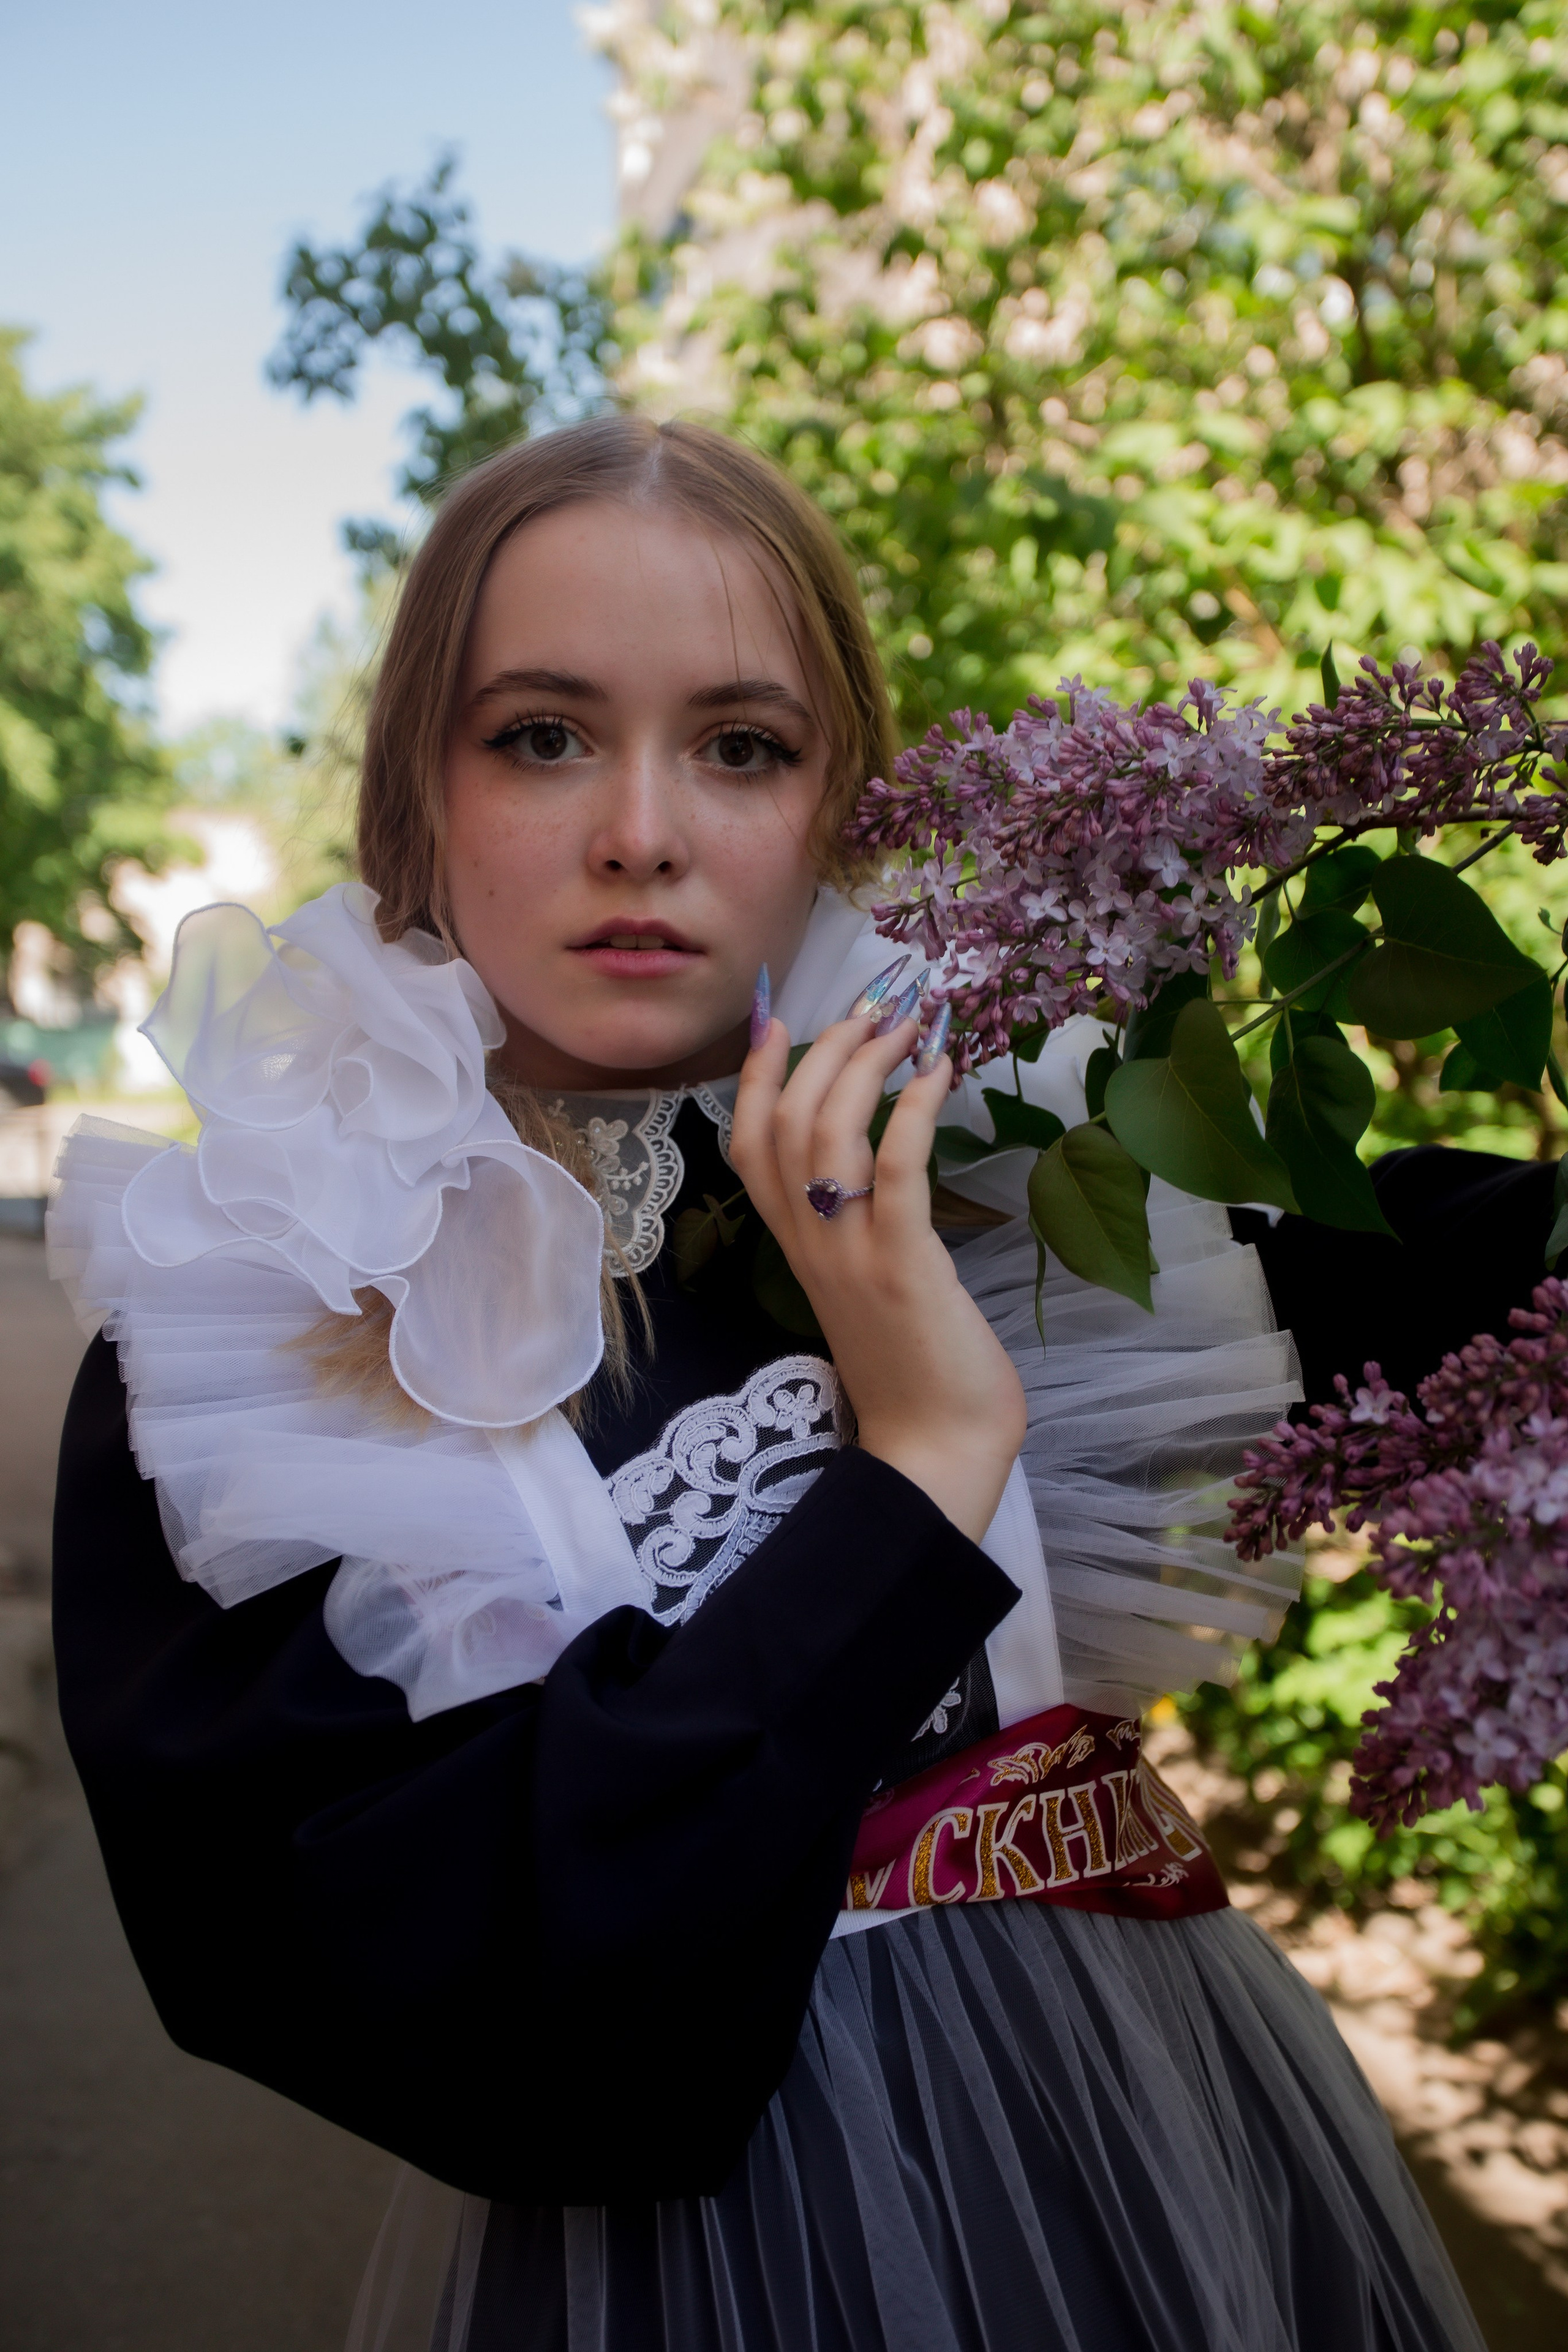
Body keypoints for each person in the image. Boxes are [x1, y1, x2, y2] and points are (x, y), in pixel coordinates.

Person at [50, 414, 1548, 2351]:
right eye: (542, 735)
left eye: (742, 745)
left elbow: (1455, 1272)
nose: (642, 832)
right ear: (414, 794)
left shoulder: (1012, 1161)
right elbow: (427, 1986)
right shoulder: (256, 1329)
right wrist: (917, 1459)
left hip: (1170, 2170)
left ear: (839, 800)